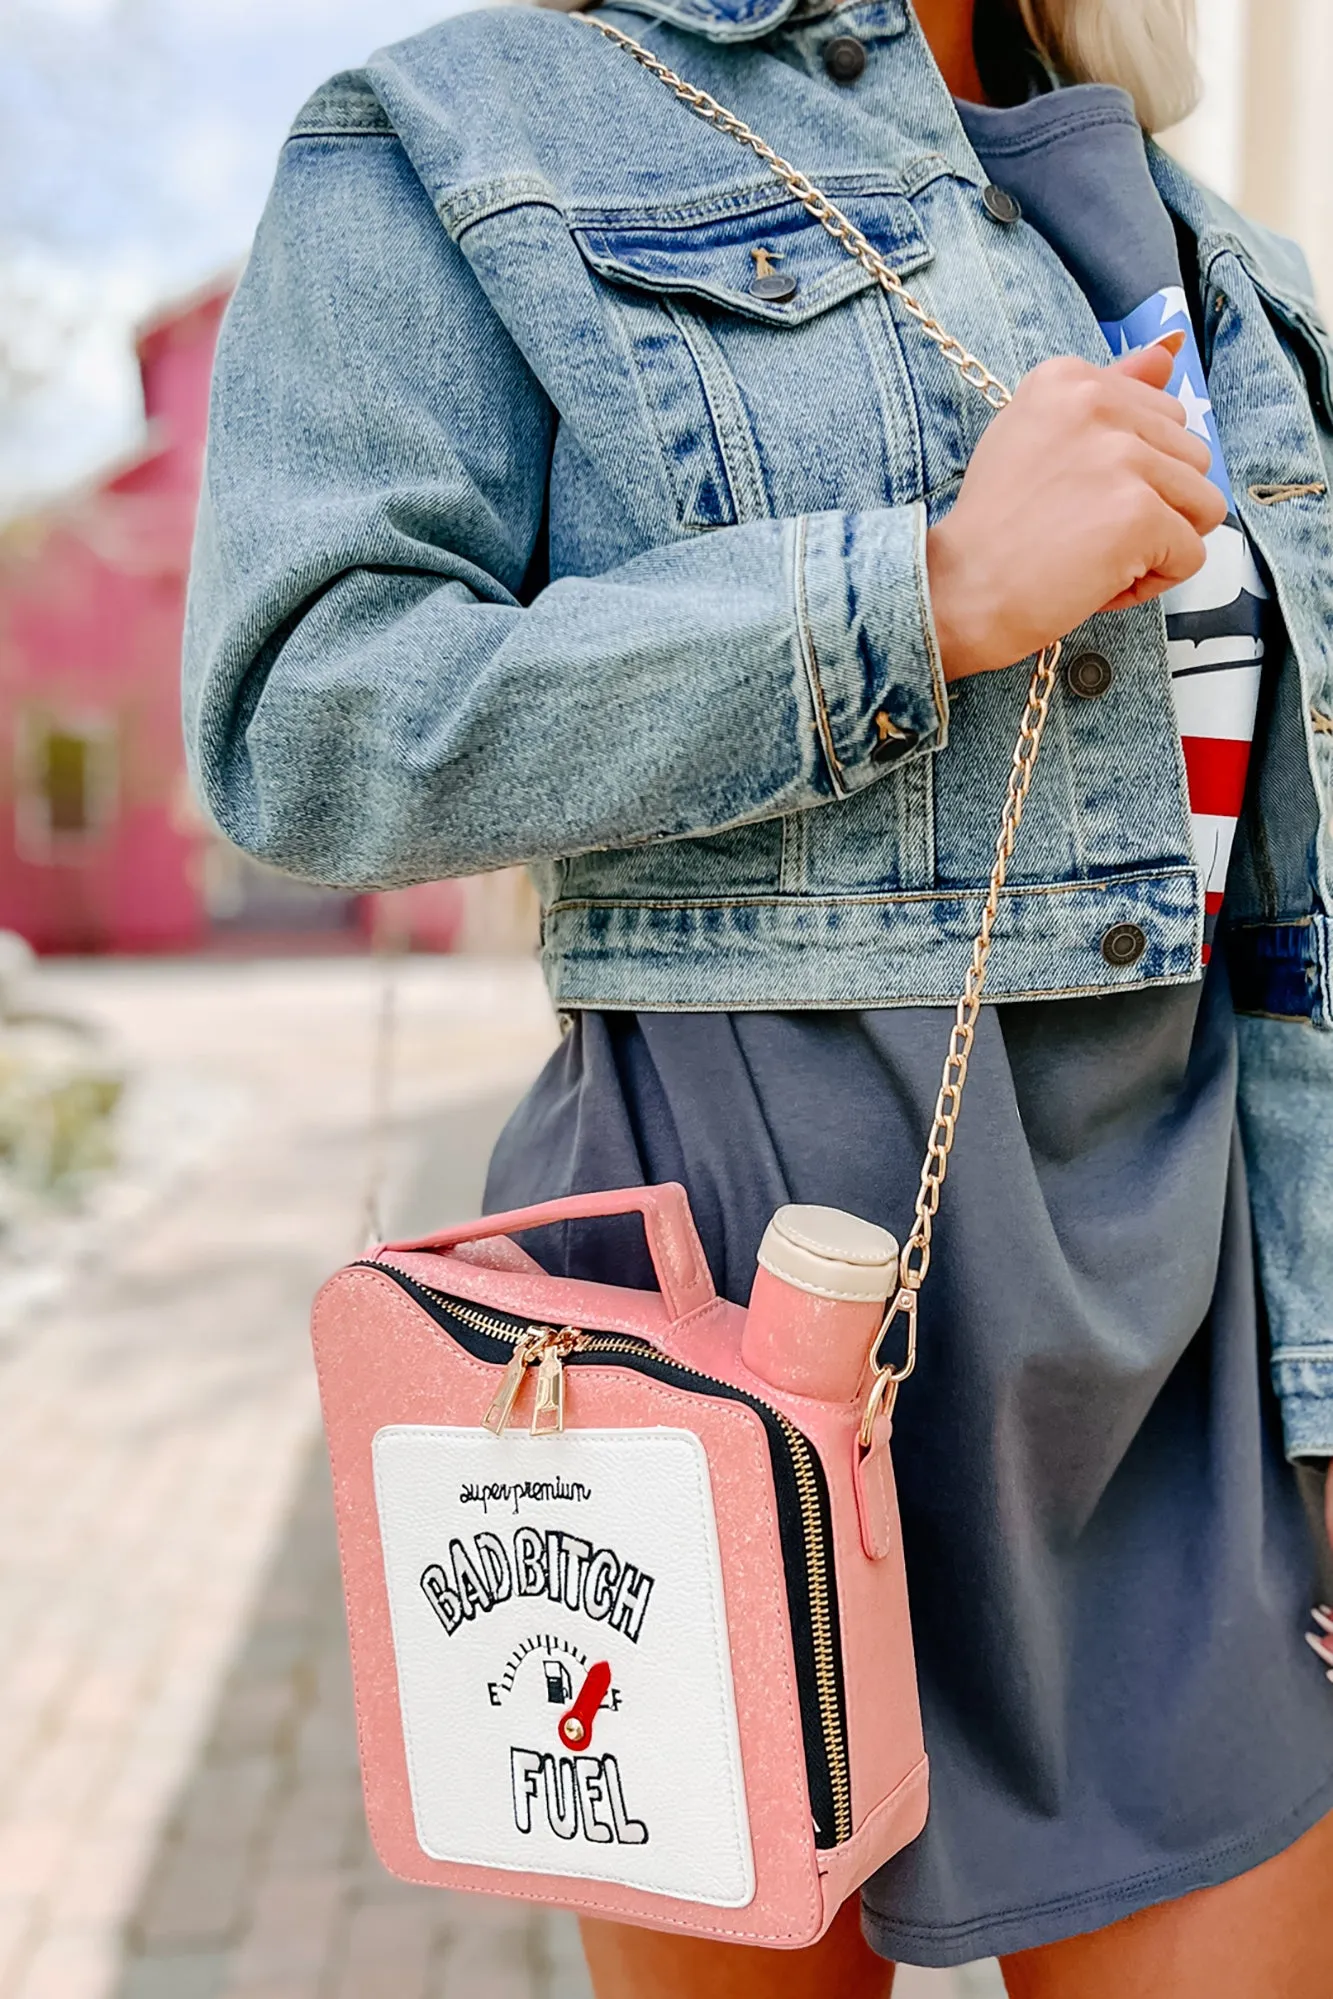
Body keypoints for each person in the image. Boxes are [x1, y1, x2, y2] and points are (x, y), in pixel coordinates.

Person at [183, 0, 1333, 1989]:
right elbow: (306, 717)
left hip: (1181, 1344)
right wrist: (920, 595)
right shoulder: (463, 133)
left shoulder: (1224, 258)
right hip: (721, 1304)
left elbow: (1293, 924)